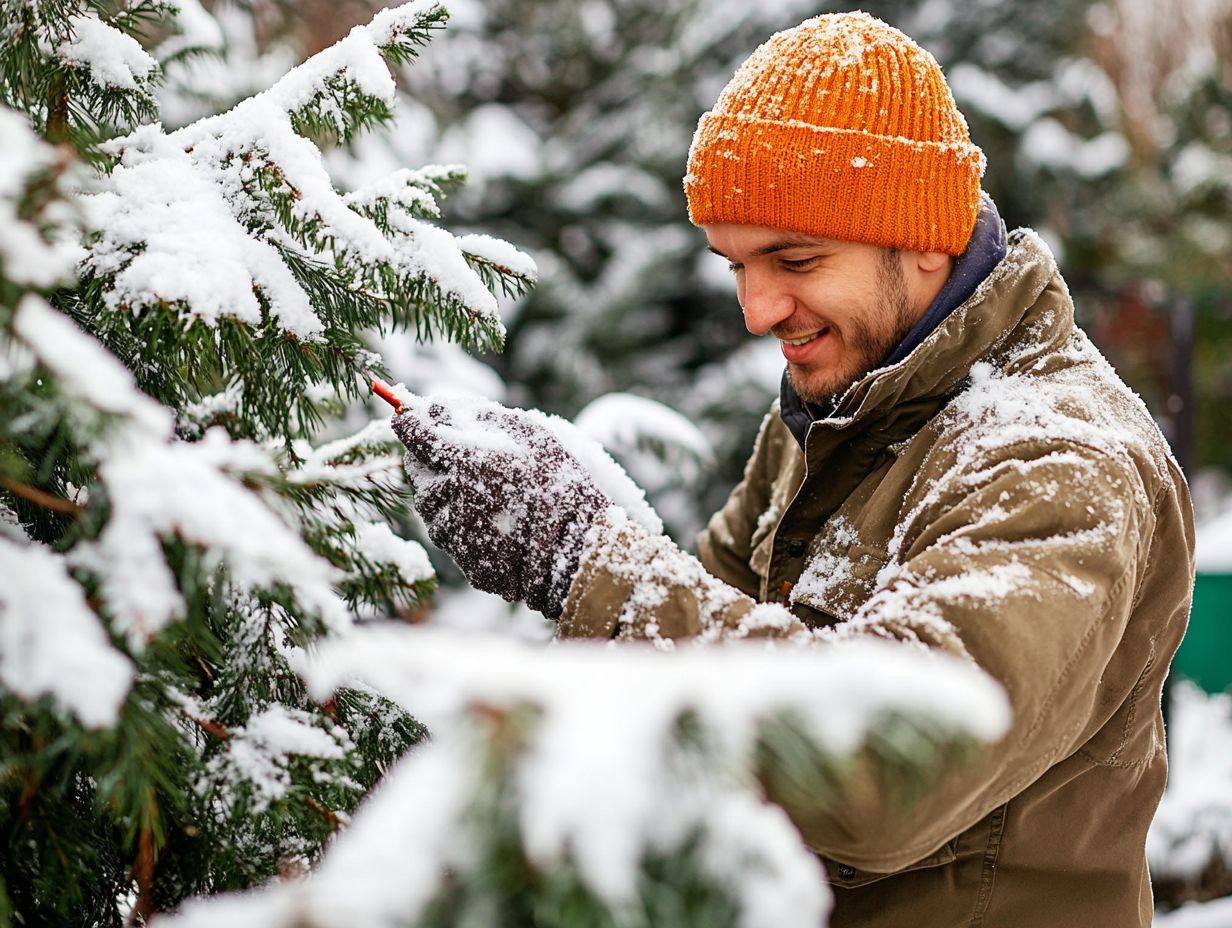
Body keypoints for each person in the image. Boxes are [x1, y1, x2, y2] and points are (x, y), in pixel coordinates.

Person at [392, 12, 1195, 927]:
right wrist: (573, 516)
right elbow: (704, 651)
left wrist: (584, 559)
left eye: (795, 258)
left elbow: (890, 770)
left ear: (925, 237)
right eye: (735, 264)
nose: (756, 308)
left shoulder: (1058, 460)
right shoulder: (845, 406)